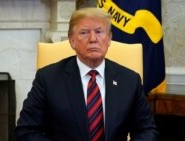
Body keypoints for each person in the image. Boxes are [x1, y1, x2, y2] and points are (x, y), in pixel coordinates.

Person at [15, 7, 160, 141]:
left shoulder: (130, 80)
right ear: (72, 41)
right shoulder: (48, 78)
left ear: (109, 39)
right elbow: (26, 130)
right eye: (84, 32)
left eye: (99, 32)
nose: (93, 39)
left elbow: (147, 131)